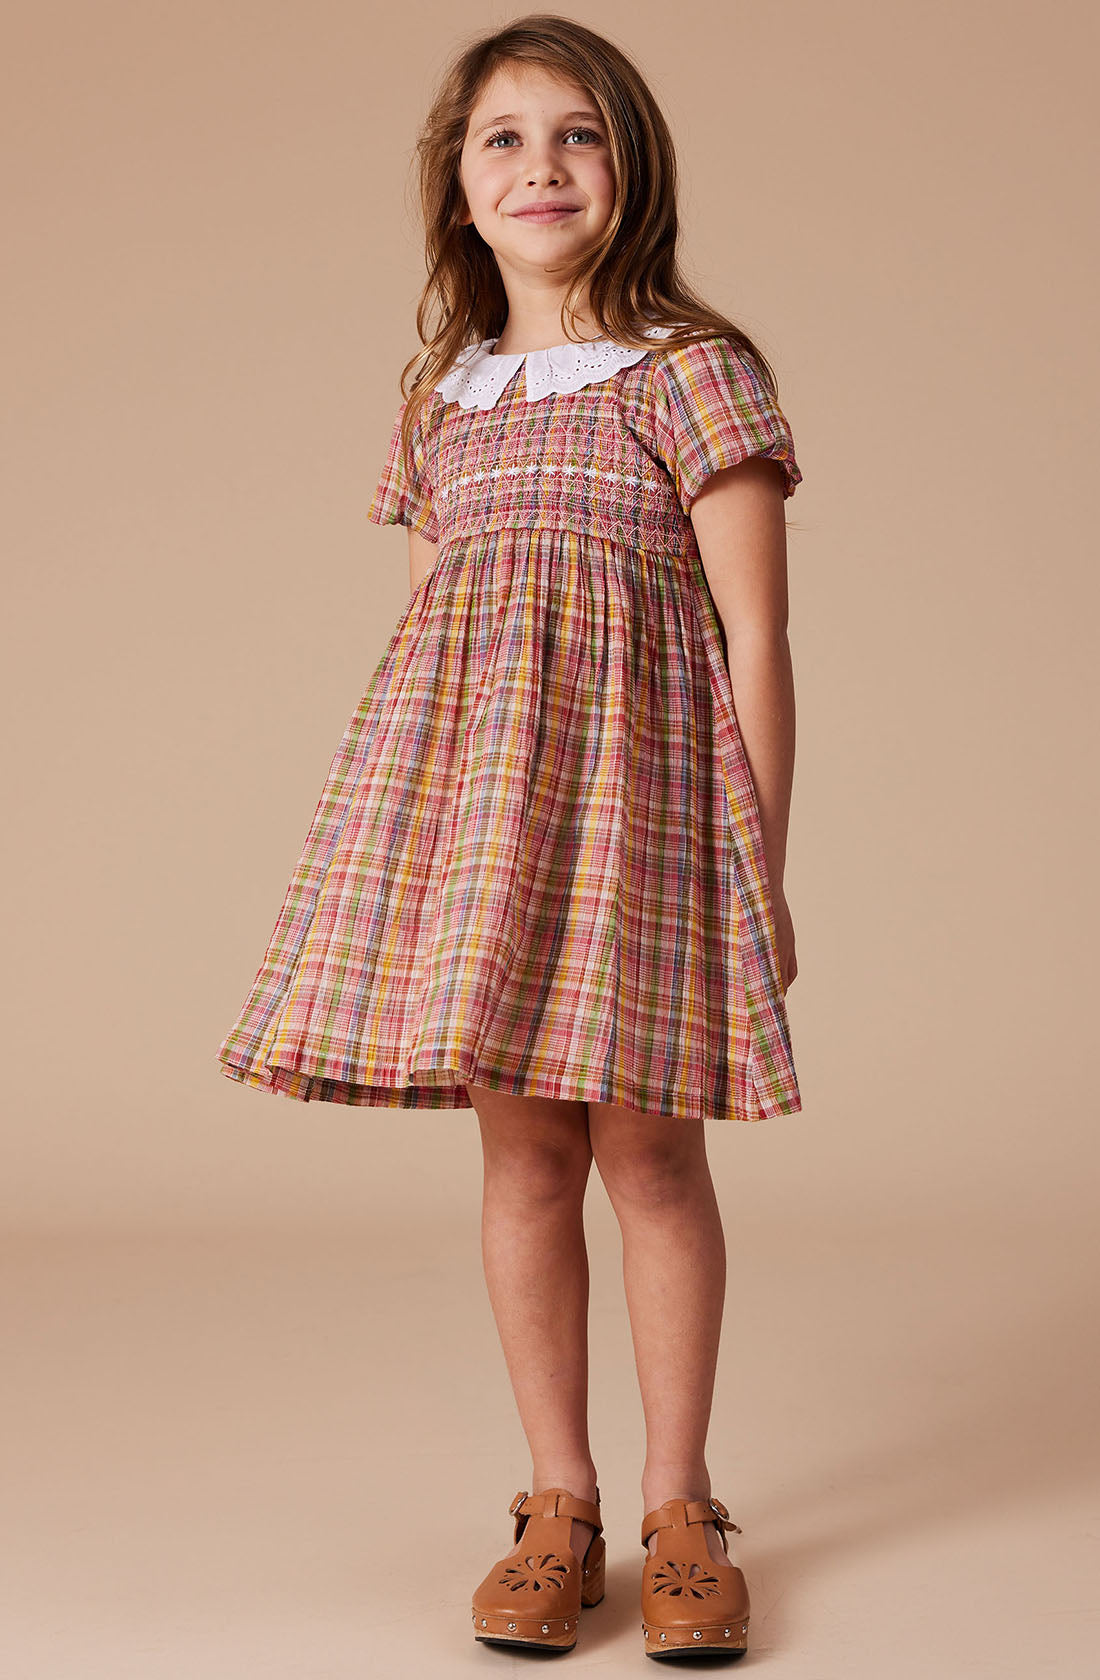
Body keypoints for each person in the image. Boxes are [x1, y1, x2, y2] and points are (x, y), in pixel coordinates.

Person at [216, 12, 805, 1661]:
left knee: (655, 1158)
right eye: (504, 140)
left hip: (648, 820)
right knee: (525, 1158)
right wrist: (404, 859)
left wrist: (754, 858)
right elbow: (434, 643)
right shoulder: (444, 402)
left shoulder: (694, 370)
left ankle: (683, 1508)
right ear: (459, 189)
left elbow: (754, 636)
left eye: (578, 135)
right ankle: (560, 1502)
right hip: (482, 829)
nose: (540, 166)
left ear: (632, 169)